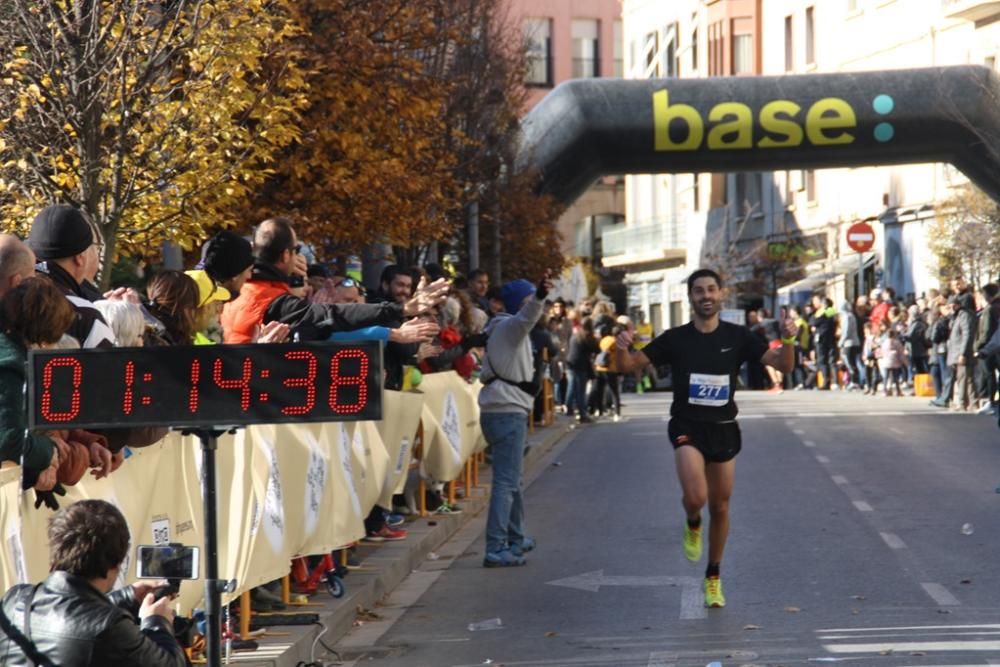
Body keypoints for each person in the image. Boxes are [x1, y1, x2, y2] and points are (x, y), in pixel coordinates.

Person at [614, 269, 794, 608]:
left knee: (721, 505)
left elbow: (781, 365)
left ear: (721, 293)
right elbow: (629, 365)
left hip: (724, 426)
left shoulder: (738, 336)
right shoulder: (675, 338)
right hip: (687, 425)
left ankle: (713, 575)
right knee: (696, 497)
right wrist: (623, 348)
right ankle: (692, 520)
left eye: (711, 289)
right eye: (699, 291)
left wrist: (790, 340)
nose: (706, 296)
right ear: (691, 297)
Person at [0, 499, 186, 665]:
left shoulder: (15, 599)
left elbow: (72, 617)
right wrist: (156, 622)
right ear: (116, 562)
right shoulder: (110, 627)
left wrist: (126, 597)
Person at [478, 275, 551, 567]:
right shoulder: (511, 327)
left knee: (512, 482)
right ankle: (496, 548)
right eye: (526, 301)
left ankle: (515, 538)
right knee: (507, 482)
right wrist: (540, 296)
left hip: (504, 410)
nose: (533, 308)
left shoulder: (506, 329)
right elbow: (528, 315)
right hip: (507, 411)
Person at [26, 204, 116, 348]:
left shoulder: (9, 298)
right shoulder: (86, 315)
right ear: (80, 258)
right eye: (95, 249)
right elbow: (109, 368)